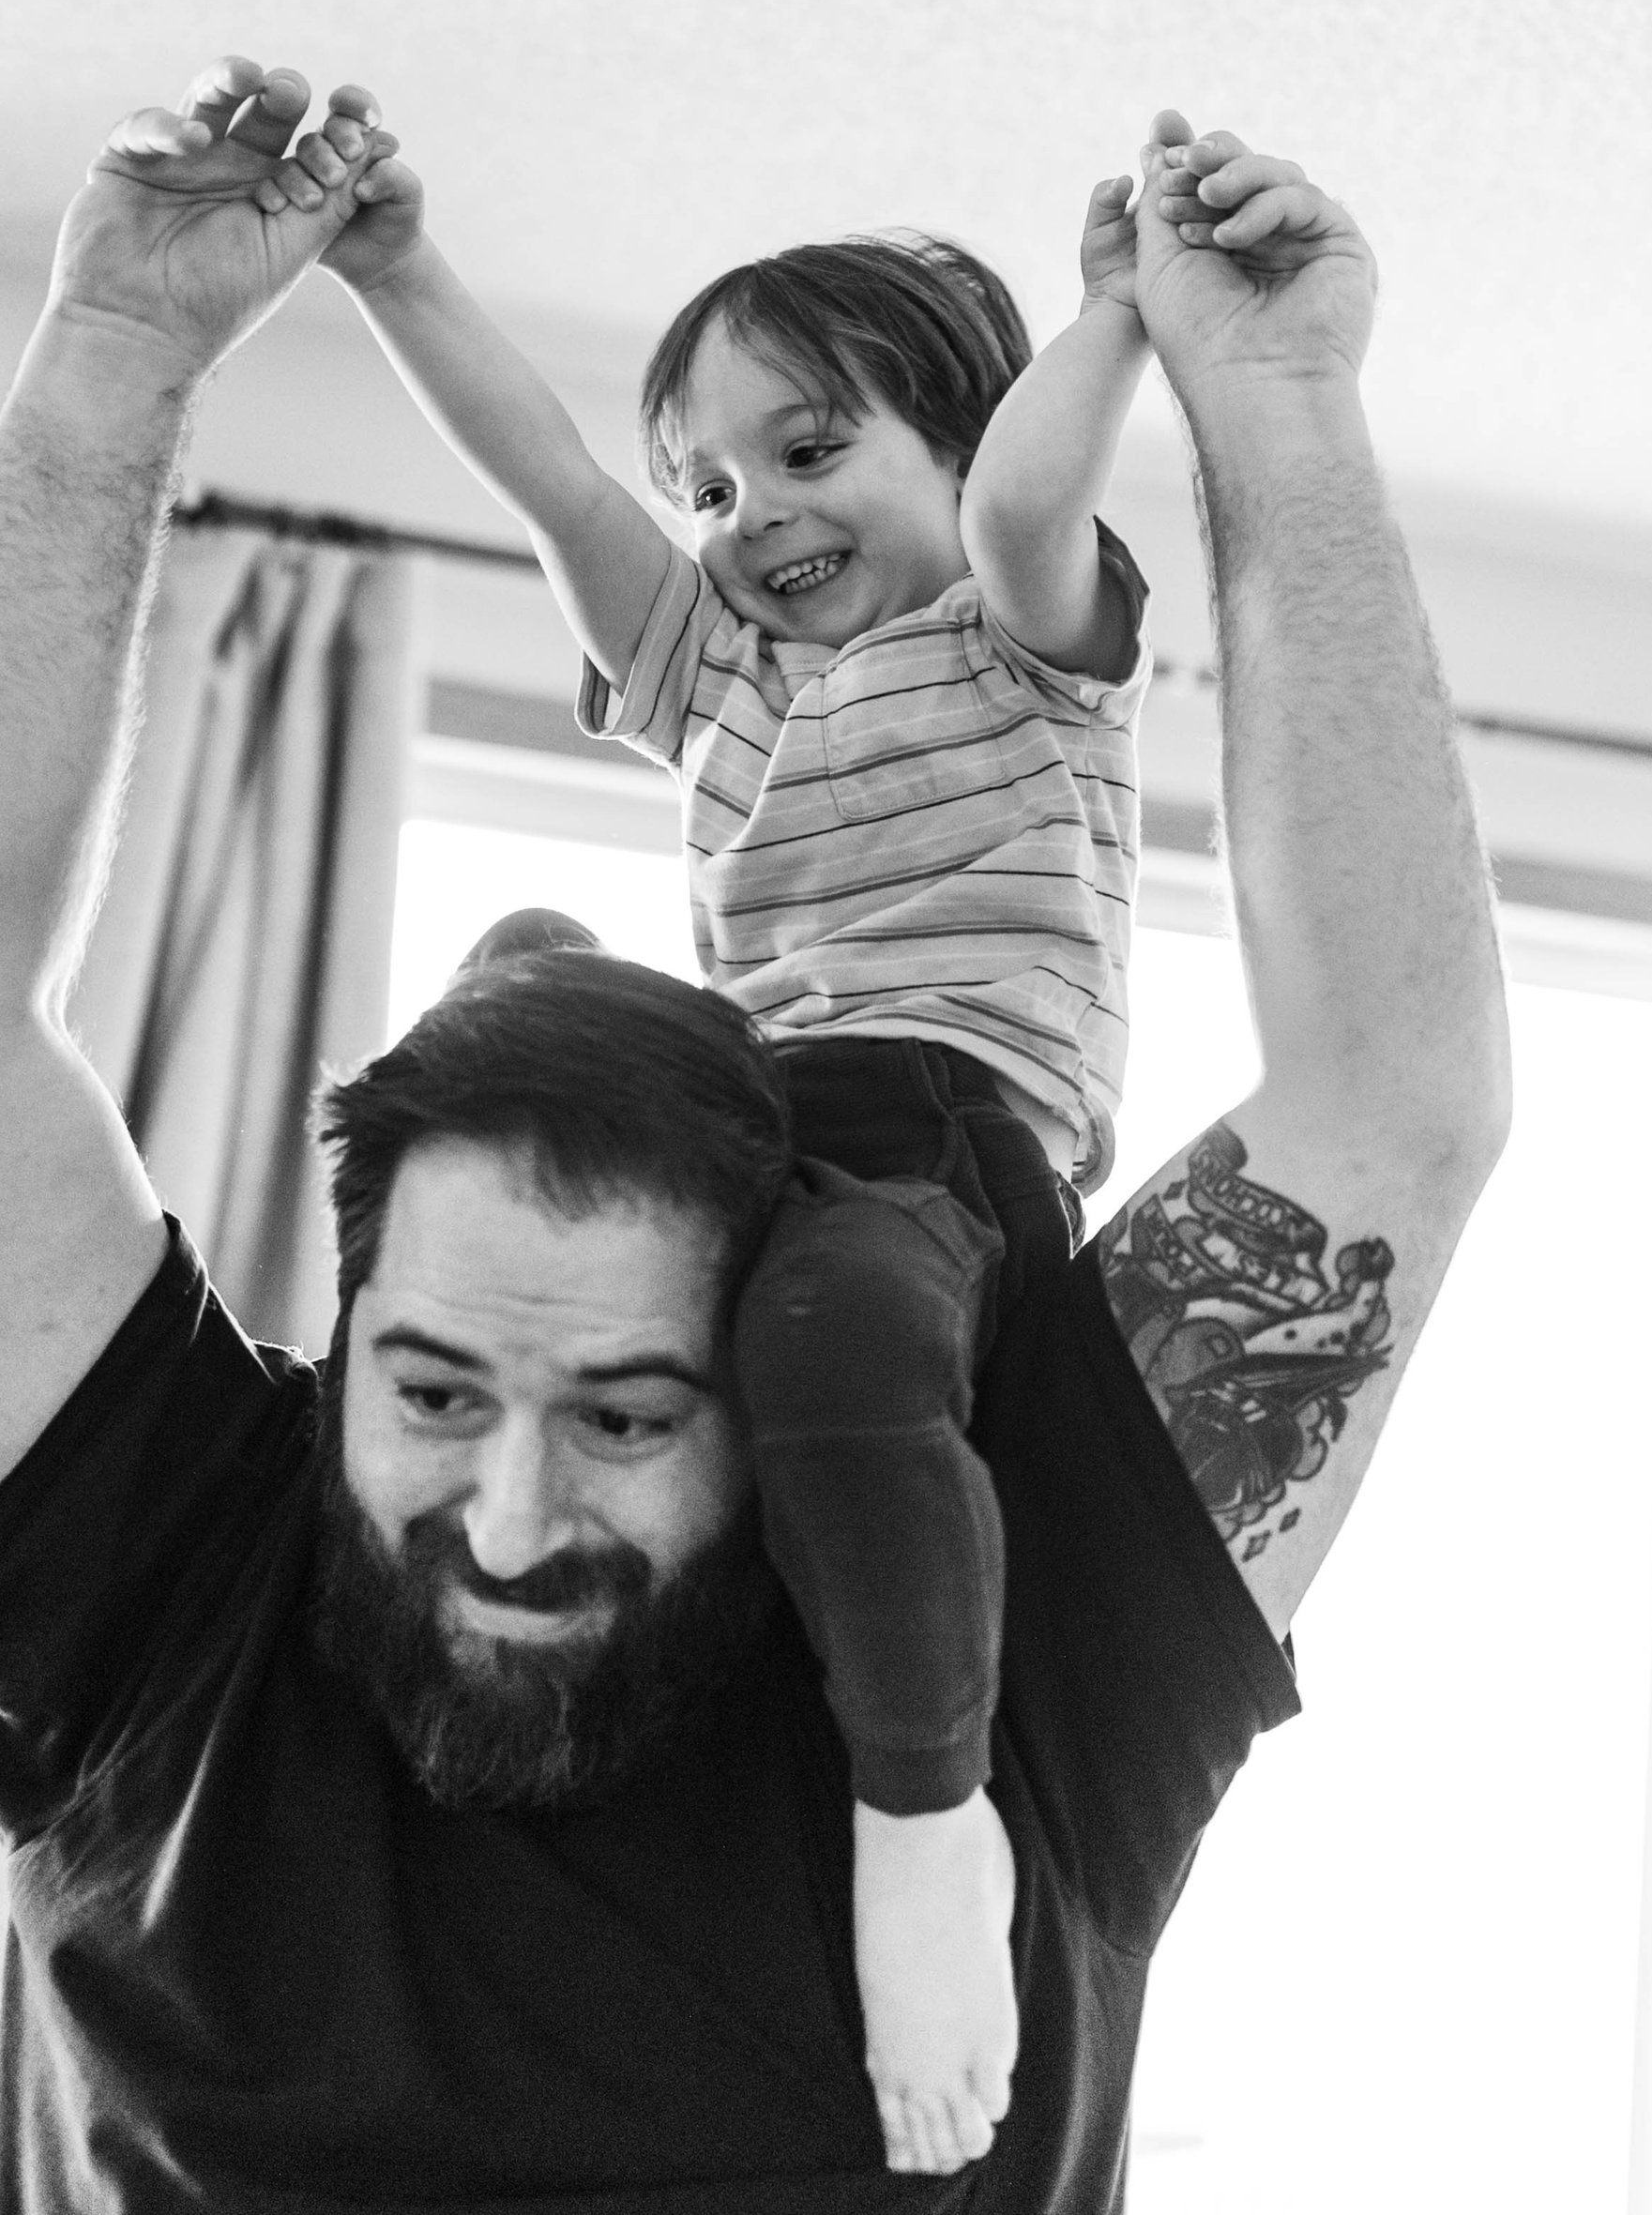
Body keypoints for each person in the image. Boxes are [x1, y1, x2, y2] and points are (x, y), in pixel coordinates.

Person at [0, 54, 1510, 2213]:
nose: (511, 1519)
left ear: (749, 1351)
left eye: (624, 1413)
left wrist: (1268, 404)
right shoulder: (170, 1614)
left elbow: (1390, 1092)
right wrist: (116, 347)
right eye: (435, 1392)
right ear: (343, 1345)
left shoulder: (1021, 1628)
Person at [308, 124, 1157, 2169]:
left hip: (936, 1143)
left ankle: (918, 1814)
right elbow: (549, 481)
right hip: (750, 1120)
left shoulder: (1016, 636)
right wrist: (393, 267)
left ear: (958, 442)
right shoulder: (717, 673)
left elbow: (1028, 490)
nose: (747, 511)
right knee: (530, 986)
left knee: (832, 1334)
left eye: (808, 448)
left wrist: (1118, 315)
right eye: (710, 483)